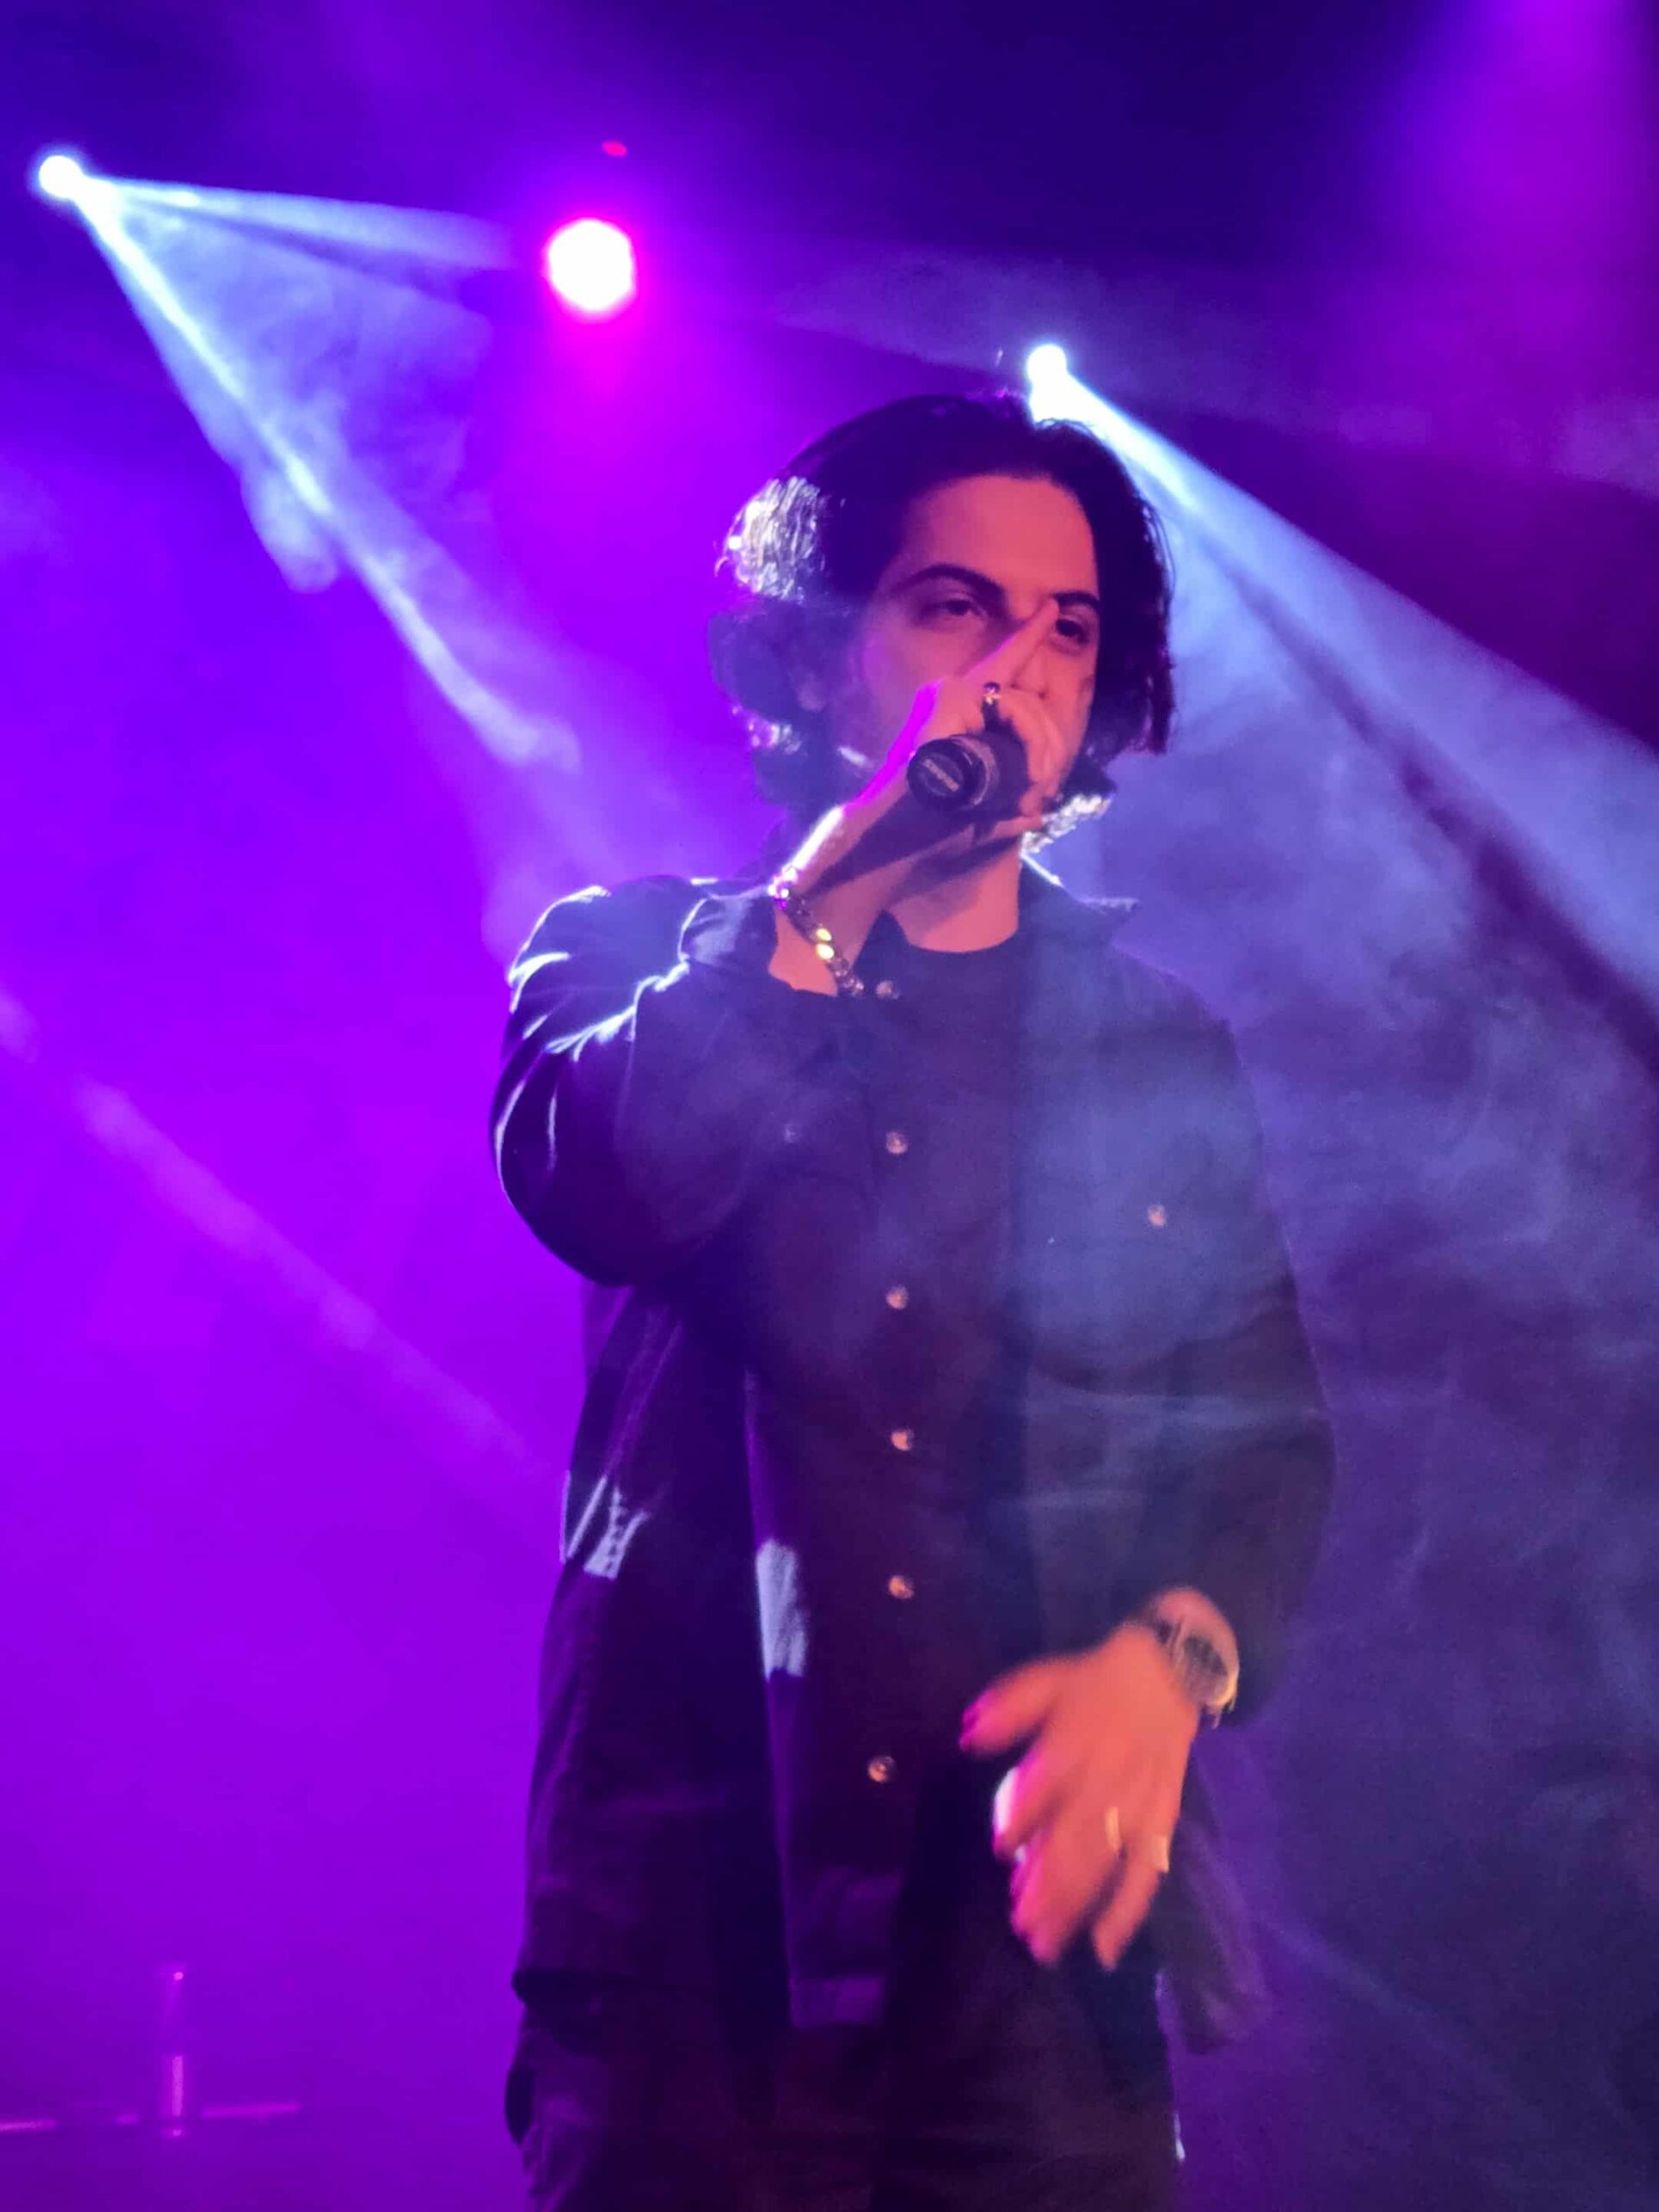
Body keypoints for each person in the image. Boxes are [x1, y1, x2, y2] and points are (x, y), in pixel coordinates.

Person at [493, 391, 1334, 2209]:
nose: (1018, 671)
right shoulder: (626, 953)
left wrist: (1169, 1662)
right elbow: (607, 1181)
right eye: (956, 607)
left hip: (1034, 1990)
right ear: (813, 656)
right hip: (694, 1982)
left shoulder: (1158, 1046)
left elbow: (1264, 1450)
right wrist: (852, 865)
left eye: (1070, 626)